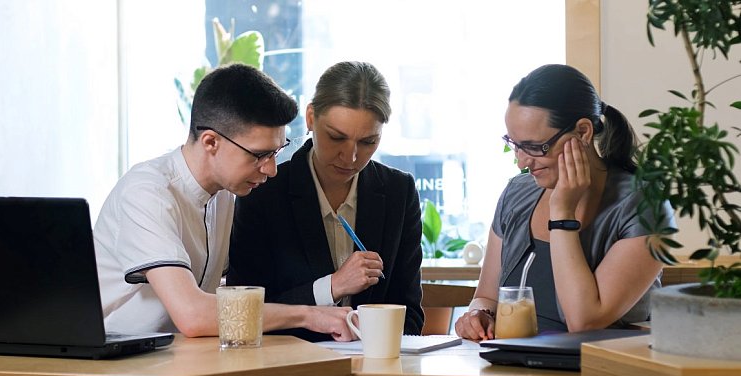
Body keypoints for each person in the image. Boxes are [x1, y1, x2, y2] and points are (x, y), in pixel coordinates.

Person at [94, 63, 354, 340]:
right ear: (210, 142)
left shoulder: (226, 194)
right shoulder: (147, 192)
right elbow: (193, 315)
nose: (271, 169)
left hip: (178, 354)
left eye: (276, 152)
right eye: (259, 155)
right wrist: (309, 315)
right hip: (114, 358)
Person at [455, 64, 676, 340]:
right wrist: (478, 315)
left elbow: (584, 322)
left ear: (583, 132)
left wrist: (562, 214)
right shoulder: (516, 193)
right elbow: (487, 297)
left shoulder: (644, 206)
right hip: (508, 362)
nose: (521, 162)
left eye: (535, 147)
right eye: (515, 145)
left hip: (595, 366)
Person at [226, 61, 425, 341]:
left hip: (374, 361)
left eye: (368, 142)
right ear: (310, 118)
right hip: (289, 362)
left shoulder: (398, 192)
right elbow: (243, 311)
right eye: (336, 137)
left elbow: (410, 315)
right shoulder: (263, 192)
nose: (350, 157)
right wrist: (331, 287)